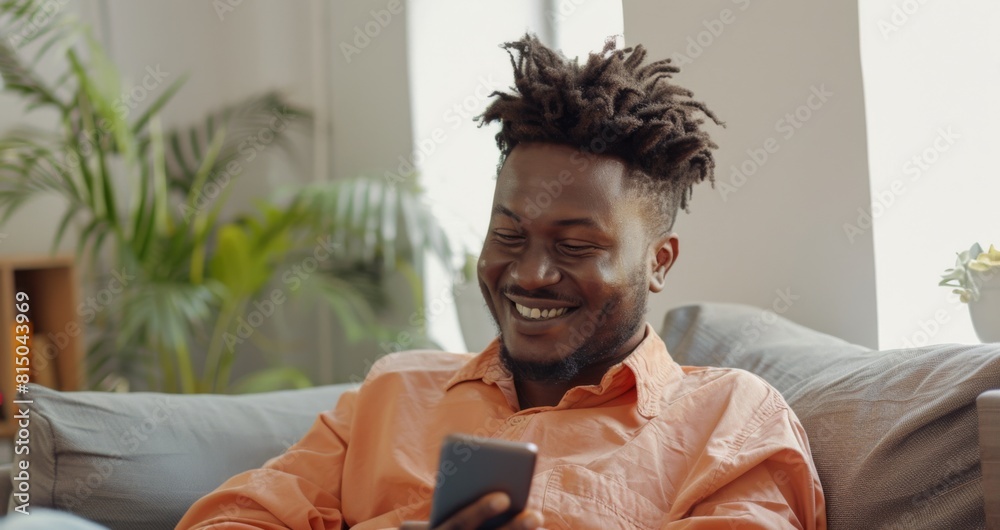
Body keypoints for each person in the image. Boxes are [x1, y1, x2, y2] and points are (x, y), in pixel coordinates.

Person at [177, 34, 826, 530]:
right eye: (508, 235)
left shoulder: (731, 421)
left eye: (575, 246)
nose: (530, 274)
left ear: (659, 262)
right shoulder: (392, 395)